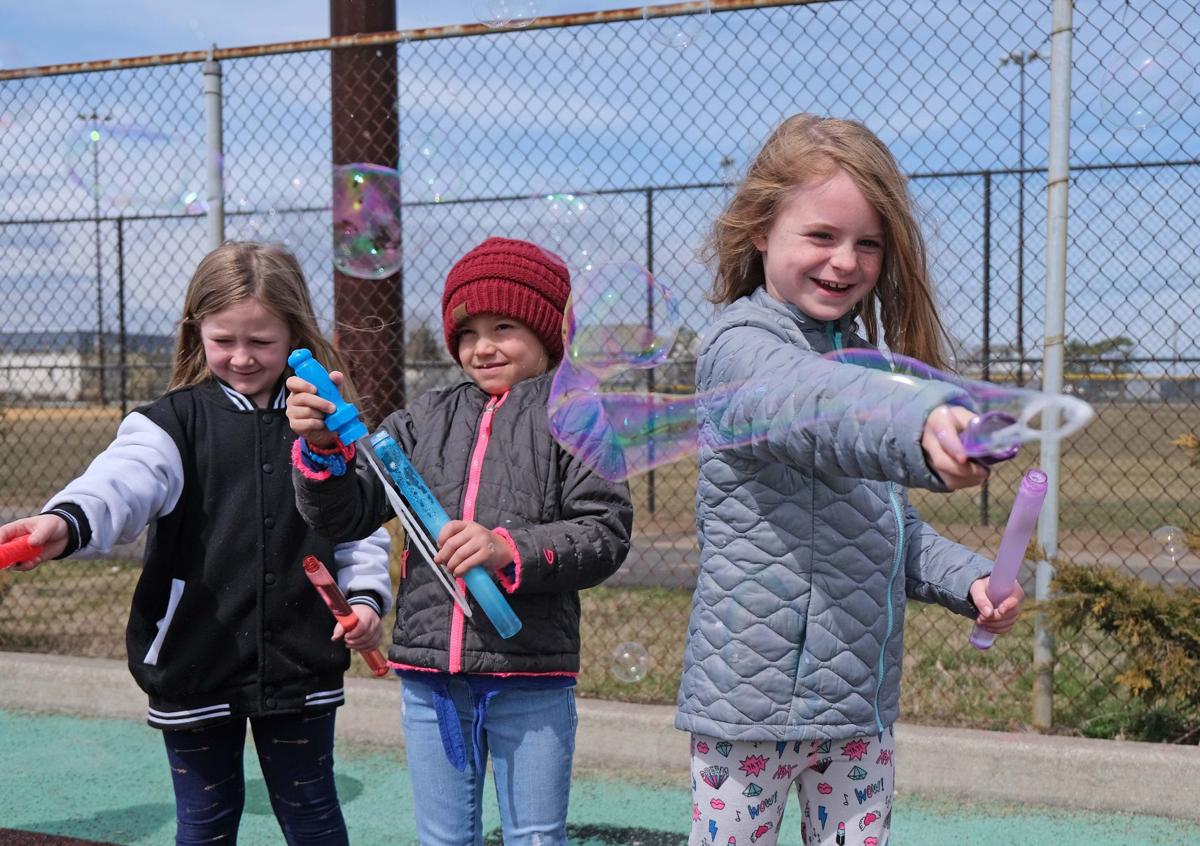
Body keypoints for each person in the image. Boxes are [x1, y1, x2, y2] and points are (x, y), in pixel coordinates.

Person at [676, 114, 1025, 846]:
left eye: (868, 243)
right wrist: (917, 425)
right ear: (760, 231)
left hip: (856, 714)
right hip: (749, 713)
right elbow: (810, 404)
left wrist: (971, 581)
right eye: (822, 236)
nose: (846, 261)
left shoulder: (871, 364)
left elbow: (885, 526)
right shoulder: (739, 351)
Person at [0, 241, 392, 846]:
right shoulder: (171, 423)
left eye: (261, 342)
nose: (241, 357)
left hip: (301, 662)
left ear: (296, 334)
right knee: (206, 823)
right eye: (223, 340)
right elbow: (120, 482)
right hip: (194, 659)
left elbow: (357, 524)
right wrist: (65, 522)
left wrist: (364, 601)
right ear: (196, 331)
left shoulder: (327, 421)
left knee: (314, 815)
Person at [286, 236, 634, 846]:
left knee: (536, 837)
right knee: (444, 839)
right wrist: (322, 453)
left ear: (547, 332)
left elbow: (604, 531)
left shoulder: (575, 416)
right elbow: (347, 511)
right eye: (467, 332)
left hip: (531, 672)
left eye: (503, 325)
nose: (483, 346)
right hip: (430, 674)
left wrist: (509, 549)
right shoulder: (422, 419)